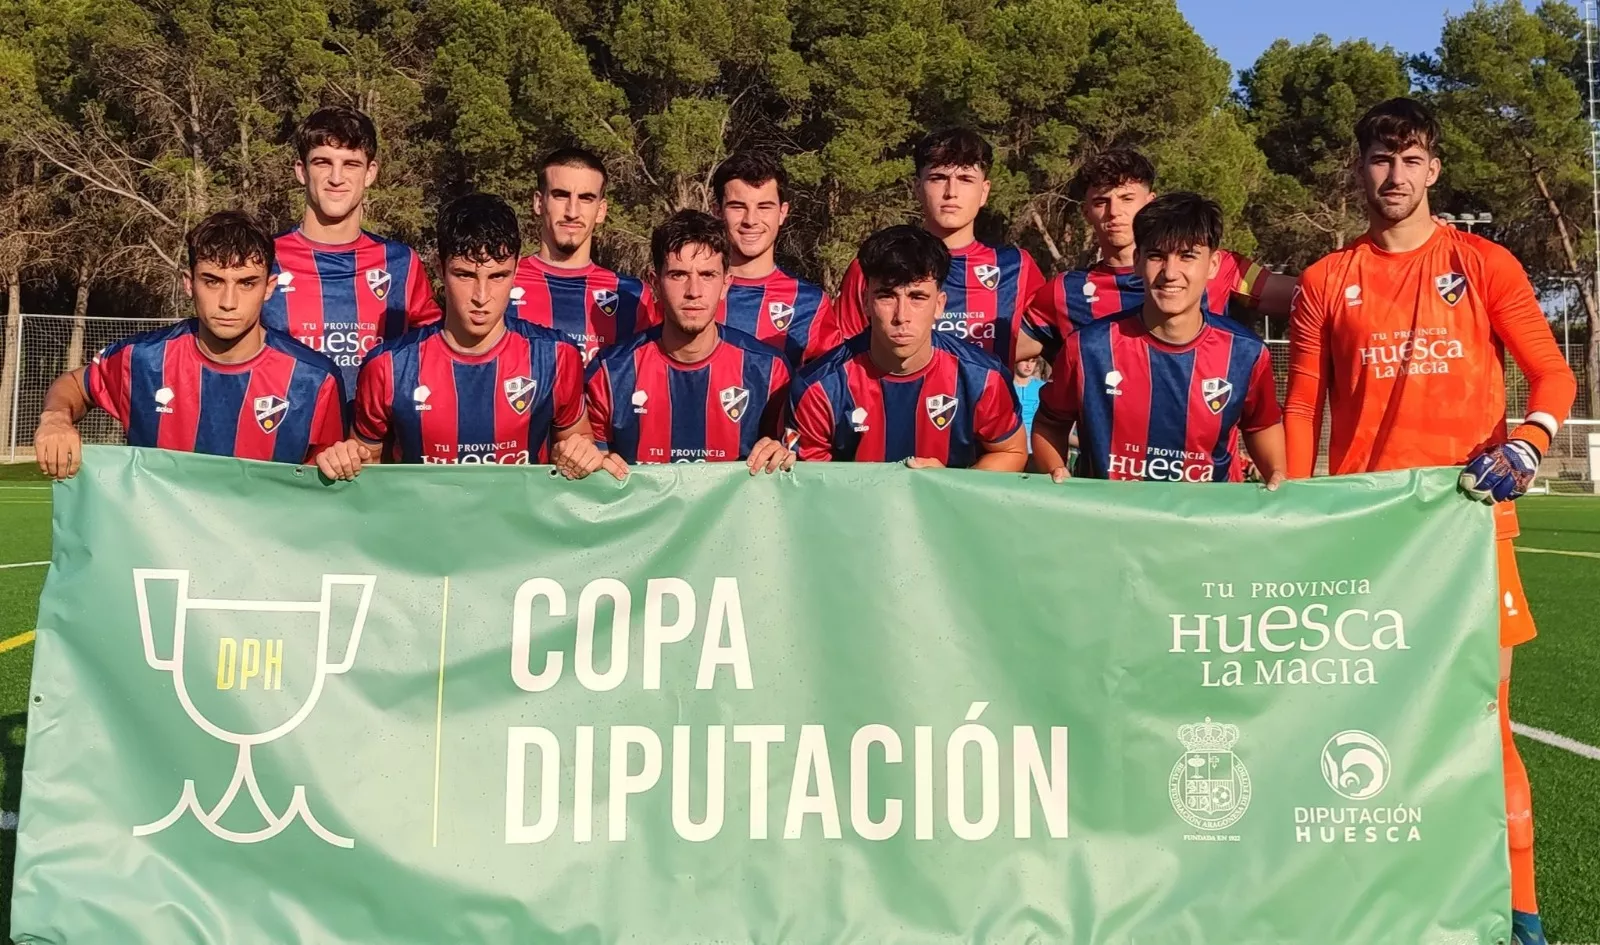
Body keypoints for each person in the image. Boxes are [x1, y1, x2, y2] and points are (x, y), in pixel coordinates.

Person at [1284, 98, 1576, 945]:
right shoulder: (1324, 281)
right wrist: (1300, 507)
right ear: (1358, 166)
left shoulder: (1483, 263)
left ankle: (1519, 913)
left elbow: (1551, 377)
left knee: (1486, 730)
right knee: (1358, 731)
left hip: (1469, 534)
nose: (1395, 176)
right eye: (1380, 158)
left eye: (1411, 161)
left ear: (1435, 169)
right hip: (1364, 541)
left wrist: (1527, 443)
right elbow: (1303, 406)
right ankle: (1367, 907)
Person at [34, 211, 346, 478]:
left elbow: (323, 483)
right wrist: (55, 419)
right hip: (159, 545)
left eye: (246, 283)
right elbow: (75, 384)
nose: (228, 302)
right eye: (212, 281)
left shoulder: (315, 379)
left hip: (263, 547)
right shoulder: (141, 360)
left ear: (269, 287)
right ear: (188, 283)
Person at [314, 193, 588, 476]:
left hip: (519, 521)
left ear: (516, 270)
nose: (481, 297)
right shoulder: (387, 366)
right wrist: (343, 460)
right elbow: (366, 467)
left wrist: (583, 455)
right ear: (439, 269)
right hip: (420, 521)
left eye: (498, 277)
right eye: (465, 275)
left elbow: (578, 448)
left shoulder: (557, 357)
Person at [1031, 193, 1285, 485]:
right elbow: (1050, 423)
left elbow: (1261, 425)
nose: (1170, 273)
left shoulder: (1245, 353)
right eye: (1157, 256)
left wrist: (1276, 472)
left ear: (1213, 265)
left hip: (1205, 525)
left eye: (1187, 256)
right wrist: (1055, 470)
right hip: (1107, 523)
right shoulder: (1088, 348)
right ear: (1138, 261)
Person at [566, 210, 794, 477]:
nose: (694, 291)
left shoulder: (769, 371)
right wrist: (586, 461)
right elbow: (593, 469)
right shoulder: (609, 372)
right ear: (655, 284)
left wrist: (783, 454)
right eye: (678, 275)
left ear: (725, 284)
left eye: (708, 275)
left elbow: (792, 465)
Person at [1016, 148, 1297, 362]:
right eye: (1102, 202)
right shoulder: (1065, 292)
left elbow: (1312, 297)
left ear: (1151, 203)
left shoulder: (1219, 266)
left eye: (1127, 199)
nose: (1115, 212)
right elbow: (994, 353)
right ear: (1086, 212)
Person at [788, 226, 1027, 470]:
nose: (901, 316)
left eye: (917, 297)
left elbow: (1012, 451)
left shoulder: (983, 377)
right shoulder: (818, 389)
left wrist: (951, 487)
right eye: (887, 296)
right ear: (866, 303)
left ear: (939, 304)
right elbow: (809, 486)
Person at [264, 106, 442, 393]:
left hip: (375, 437)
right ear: (301, 171)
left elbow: (435, 352)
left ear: (370, 172)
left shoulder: (401, 264)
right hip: (289, 436)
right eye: (322, 163)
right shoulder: (264, 258)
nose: (336, 178)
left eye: (350, 164)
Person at [833, 129, 1045, 365]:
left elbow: (1049, 337)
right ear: (917, 188)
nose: (951, 193)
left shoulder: (1015, 267)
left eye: (965, 179)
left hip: (987, 401)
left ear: (984, 191)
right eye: (938, 178)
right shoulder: (876, 264)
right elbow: (845, 357)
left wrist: (988, 363)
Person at [509, 147, 654, 362]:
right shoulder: (502, 281)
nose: (572, 212)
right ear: (539, 203)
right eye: (561, 195)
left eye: (586, 198)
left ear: (601, 210)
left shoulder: (632, 296)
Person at [710, 151, 840, 368]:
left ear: (782, 213)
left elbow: (831, 389)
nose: (750, 220)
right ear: (717, 212)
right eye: (738, 207)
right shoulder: (690, 292)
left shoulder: (810, 304)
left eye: (764, 207)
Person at [1013, 356, 1045, 448]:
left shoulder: (1043, 387)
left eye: (1033, 361)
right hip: (1010, 445)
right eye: (1025, 360)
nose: (1028, 365)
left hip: (1036, 447)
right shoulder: (1005, 384)